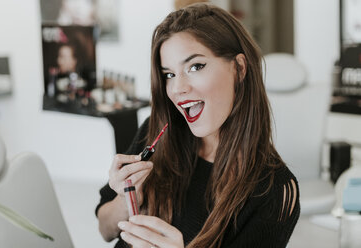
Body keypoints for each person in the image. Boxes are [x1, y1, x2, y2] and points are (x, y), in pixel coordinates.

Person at [96, 3, 300, 248]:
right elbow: (105, 230)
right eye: (169, 74)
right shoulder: (157, 132)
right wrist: (126, 197)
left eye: (195, 67)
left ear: (239, 68)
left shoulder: (274, 191)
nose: (178, 88)